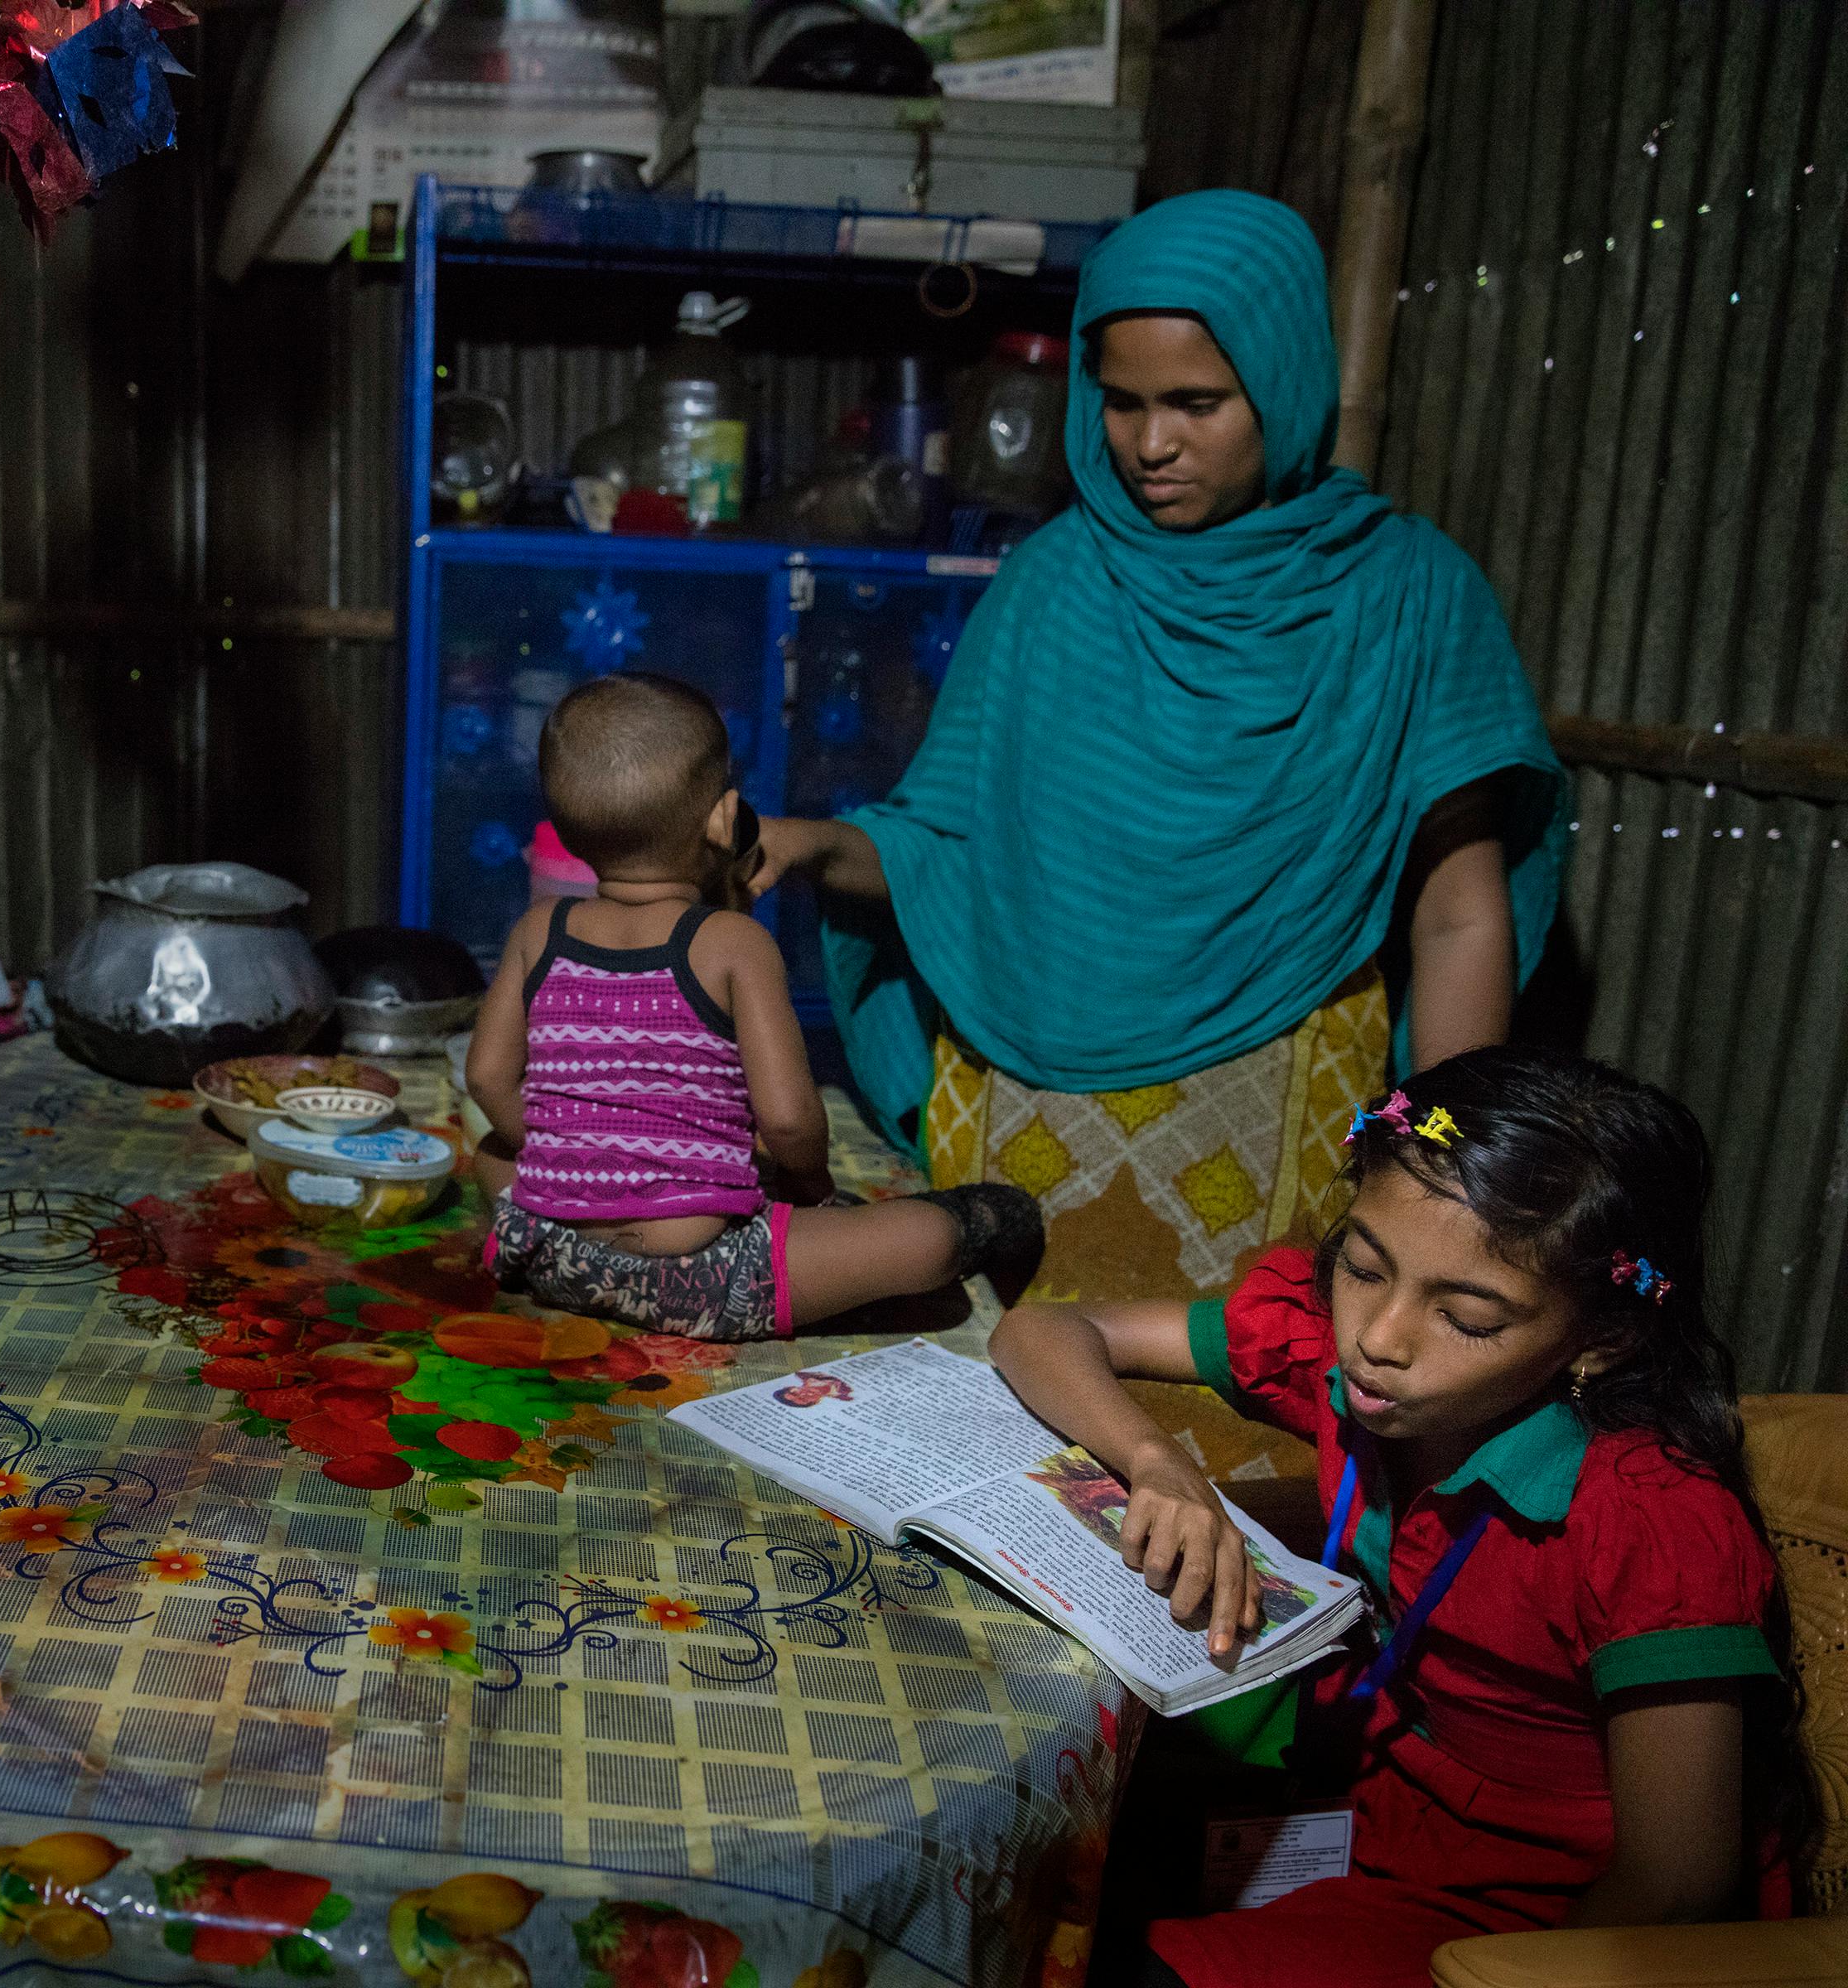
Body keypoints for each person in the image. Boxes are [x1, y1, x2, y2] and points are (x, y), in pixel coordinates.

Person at [755, 191, 1571, 1397]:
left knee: (1265, 1474)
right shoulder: (1050, 589)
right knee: (993, 1447)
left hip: (1279, 1144)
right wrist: (822, 847)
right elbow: (947, 858)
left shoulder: (1407, 598)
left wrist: (1440, 1177)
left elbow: (1458, 916)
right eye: (1122, 403)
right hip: (1033, 1144)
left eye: (1196, 404)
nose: (1150, 445)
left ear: (1285, 384)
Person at [989, 1045, 1802, 1986]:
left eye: (1469, 1320)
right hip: (1358, 1804)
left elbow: (1675, 1889)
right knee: (1030, 1863)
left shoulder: (1650, 1521)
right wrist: (1159, 1463)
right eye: (1365, 1268)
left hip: (1519, 1924)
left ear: (1603, 1339)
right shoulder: (1344, 1367)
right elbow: (1041, 1332)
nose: (1378, 1338)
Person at [463, 673, 1039, 1339]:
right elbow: (790, 1121)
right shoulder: (734, 941)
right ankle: (988, 1222)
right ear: (724, 818)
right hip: (706, 1273)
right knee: (932, 1236)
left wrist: (570, 1164)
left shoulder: (537, 929)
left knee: (491, 1150)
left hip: (551, 1250)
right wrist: (811, 1190)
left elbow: (486, 1079)